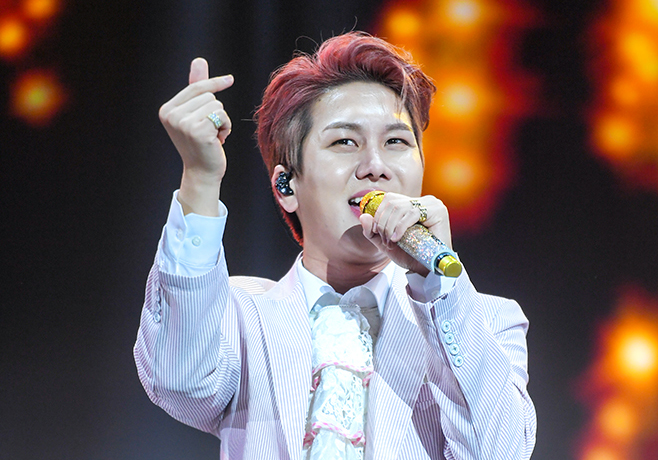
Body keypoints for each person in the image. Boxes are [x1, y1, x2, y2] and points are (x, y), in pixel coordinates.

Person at [134, 32, 536, 460]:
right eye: (345, 141)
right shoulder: (237, 315)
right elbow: (180, 380)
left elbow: (499, 453)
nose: (376, 166)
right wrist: (200, 177)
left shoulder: (485, 322)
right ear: (286, 186)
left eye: (396, 142)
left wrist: (439, 286)